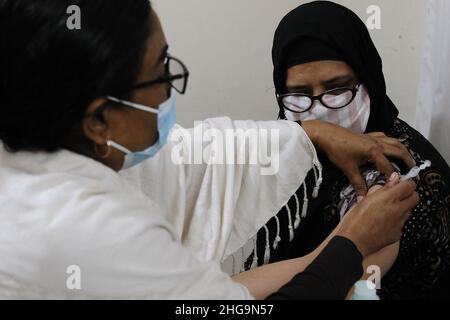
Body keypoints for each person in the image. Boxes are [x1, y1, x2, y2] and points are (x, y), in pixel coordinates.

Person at [0, 0, 418, 299]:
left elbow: (196, 151)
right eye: (160, 69)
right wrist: (349, 246)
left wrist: (308, 133)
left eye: (338, 89)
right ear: (97, 121)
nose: (171, 85)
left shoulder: (43, 149)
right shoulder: (95, 233)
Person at [261, 1, 450, 299]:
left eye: (337, 89)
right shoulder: (283, 150)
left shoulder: (400, 177)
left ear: (368, 78)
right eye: (299, 94)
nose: (320, 110)